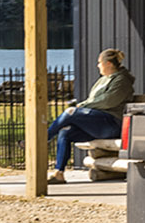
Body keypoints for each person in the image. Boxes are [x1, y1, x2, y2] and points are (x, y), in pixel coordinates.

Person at [48, 48, 134, 184]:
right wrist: (84, 106)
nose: (97, 65)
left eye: (99, 62)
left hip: (111, 124)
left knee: (71, 112)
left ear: (108, 64)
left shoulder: (122, 81)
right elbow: (94, 101)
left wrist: (82, 106)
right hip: (97, 123)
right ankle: (59, 173)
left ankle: (42, 139)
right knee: (65, 133)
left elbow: (108, 101)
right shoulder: (104, 80)